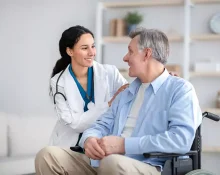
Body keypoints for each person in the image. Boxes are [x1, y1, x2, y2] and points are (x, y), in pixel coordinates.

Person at [35, 28, 202, 175]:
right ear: (70, 51)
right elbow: (100, 125)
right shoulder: (127, 92)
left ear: (147, 54)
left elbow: (180, 140)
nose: (125, 58)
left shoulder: (180, 90)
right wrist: (89, 140)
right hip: (105, 160)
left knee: (112, 162)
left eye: (130, 51)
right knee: (47, 155)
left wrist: (124, 145)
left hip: (148, 164)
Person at [49, 25, 128, 147]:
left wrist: (164, 78)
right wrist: (109, 104)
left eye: (93, 46)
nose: (92, 53)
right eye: (85, 48)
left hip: (102, 142)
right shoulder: (58, 83)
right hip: (69, 144)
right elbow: (75, 124)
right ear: (70, 51)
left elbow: (132, 94)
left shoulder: (110, 73)